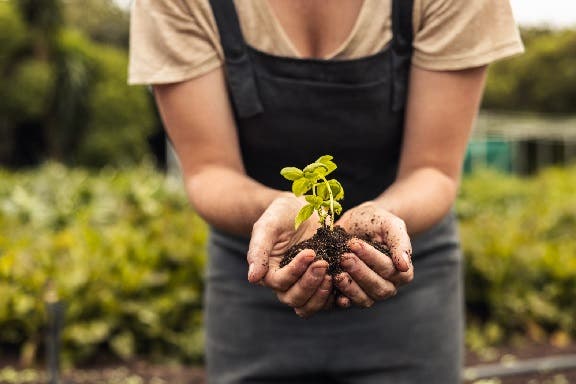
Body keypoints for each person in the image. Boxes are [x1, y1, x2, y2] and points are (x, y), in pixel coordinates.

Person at [129, 0, 524, 382]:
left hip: (405, 269)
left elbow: (433, 169)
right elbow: (209, 171)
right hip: (257, 272)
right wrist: (277, 208)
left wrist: (382, 218)